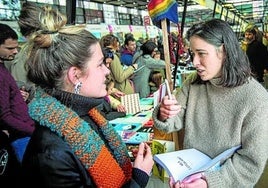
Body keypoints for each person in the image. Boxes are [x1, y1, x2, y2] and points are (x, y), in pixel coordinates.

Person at [21, 6, 153, 187]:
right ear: (75, 75)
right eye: (100, 65)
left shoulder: (88, 115)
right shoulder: (51, 154)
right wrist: (138, 178)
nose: (107, 71)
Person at [152, 19, 268, 188]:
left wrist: (209, 182)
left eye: (201, 53)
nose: (194, 62)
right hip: (189, 174)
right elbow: (174, 120)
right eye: (193, 54)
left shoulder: (256, 99)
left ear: (225, 51)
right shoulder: (194, 83)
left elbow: (251, 162)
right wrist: (165, 113)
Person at [0, 23, 35, 186]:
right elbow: (4, 115)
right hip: (21, 136)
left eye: (16, 47)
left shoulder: (3, 69)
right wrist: (32, 130)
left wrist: (18, 96)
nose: (15, 51)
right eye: (9, 48)